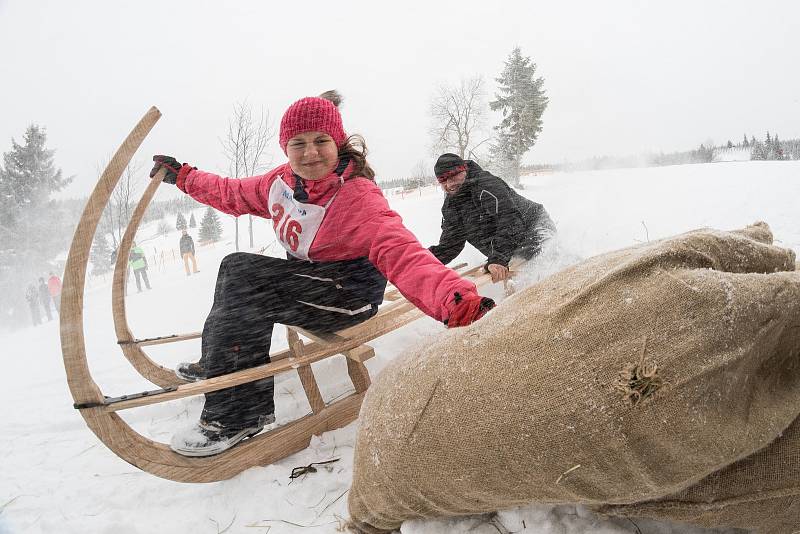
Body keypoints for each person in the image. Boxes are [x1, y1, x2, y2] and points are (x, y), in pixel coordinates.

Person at [150, 91, 495, 457]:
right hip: (308, 284)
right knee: (233, 269)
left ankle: (236, 416)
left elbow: (403, 254)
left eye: (321, 141)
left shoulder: (357, 197)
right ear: (286, 148)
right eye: (298, 143)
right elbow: (231, 192)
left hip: (348, 297)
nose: (310, 153)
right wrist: (184, 177)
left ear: (338, 142)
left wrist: (457, 302)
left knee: (243, 274)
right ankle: (220, 361)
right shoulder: (280, 183)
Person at [429, 153, 556, 283]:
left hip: (534, 227)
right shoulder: (452, 206)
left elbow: (510, 220)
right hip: (511, 246)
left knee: (551, 262)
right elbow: (451, 242)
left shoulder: (485, 185)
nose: (449, 184)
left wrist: (499, 258)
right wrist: (422, 261)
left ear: (464, 170)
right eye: (443, 180)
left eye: (453, 176)